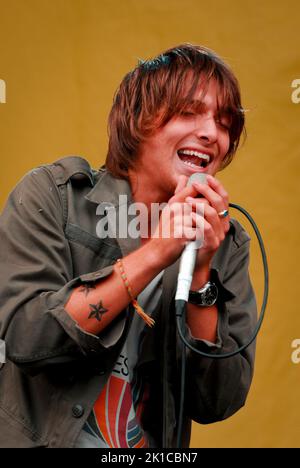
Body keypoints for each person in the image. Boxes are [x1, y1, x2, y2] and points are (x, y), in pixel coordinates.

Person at [0, 44, 257, 448]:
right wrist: (157, 251)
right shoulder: (54, 195)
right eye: (190, 112)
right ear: (139, 120)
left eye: (224, 124)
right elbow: (28, 338)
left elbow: (217, 401)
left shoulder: (226, 243)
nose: (211, 133)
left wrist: (201, 276)